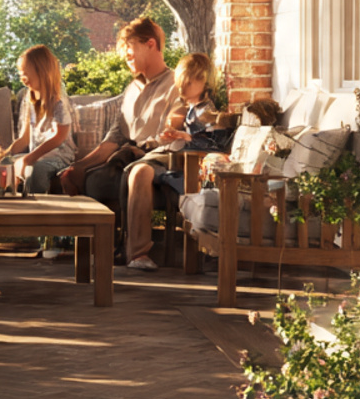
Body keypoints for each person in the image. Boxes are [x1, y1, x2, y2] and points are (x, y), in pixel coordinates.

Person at [56, 16, 178, 259]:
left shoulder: (176, 84)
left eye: (129, 49)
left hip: (161, 160)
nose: (125, 57)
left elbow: (176, 135)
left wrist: (145, 150)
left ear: (150, 44)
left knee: (136, 172)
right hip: (128, 156)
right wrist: (79, 166)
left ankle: (138, 253)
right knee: (87, 177)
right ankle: (97, 251)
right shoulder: (131, 89)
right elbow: (115, 137)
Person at [121, 51, 231, 271]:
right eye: (180, 82)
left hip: (189, 167)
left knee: (138, 171)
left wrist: (185, 136)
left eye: (189, 82)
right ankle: (132, 250)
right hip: (175, 158)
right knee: (135, 169)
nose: (182, 88)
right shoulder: (189, 108)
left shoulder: (209, 112)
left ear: (205, 82)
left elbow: (215, 146)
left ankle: (136, 252)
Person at [0, 44, 78, 194]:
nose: (22, 78)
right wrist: (4, 154)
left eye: (26, 73)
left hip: (59, 157)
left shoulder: (58, 102)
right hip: (36, 157)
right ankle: (4, 206)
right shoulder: (29, 99)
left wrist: (29, 158)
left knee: (35, 171)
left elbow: (59, 138)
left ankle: (36, 210)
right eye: (20, 74)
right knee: (4, 164)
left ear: (41, 72)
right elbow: (25, 138)